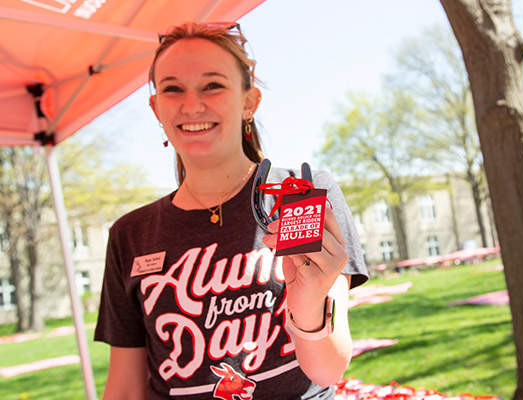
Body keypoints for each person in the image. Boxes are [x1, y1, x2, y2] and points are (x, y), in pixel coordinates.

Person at [94, 21, 368, 399]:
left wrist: (309, 304)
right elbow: (124, 389)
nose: (192, 105)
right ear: (156, 108)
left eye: (212, 85)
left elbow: (327, 369)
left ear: (249, 102)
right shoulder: (130, 234)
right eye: (173, 89)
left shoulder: (300, 195)